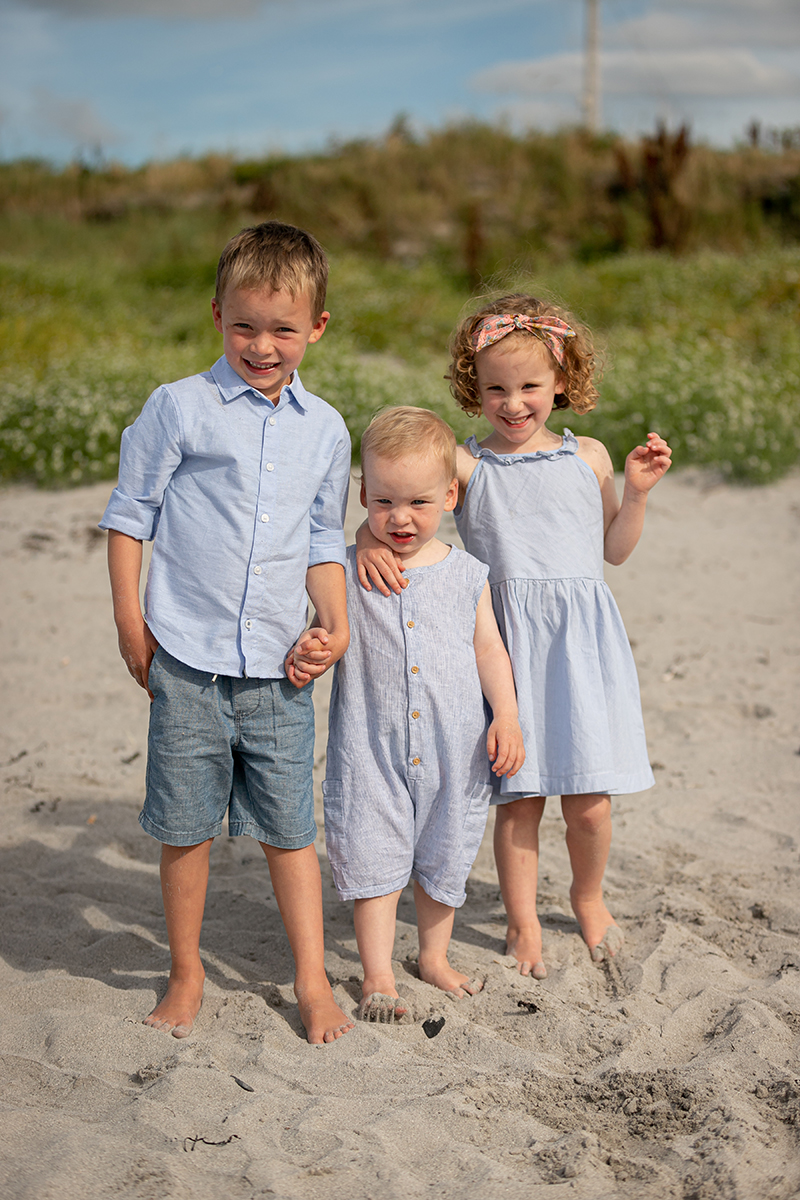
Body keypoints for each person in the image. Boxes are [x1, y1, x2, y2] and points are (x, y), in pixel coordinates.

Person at [357, 296, 672, 980]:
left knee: (589, 802)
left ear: (562, 379)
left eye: (530, 386)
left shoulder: (587, 456)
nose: (513, 402)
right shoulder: (470, 467)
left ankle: (588, 899)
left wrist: (640, 493)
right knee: (520, 798)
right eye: (496, 387)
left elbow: (614, 550)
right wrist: (362, 537)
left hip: (580, 646)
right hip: (504, 645)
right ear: (476, 388)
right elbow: (401, 494)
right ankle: (523, 920)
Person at [99, 220, 355, 1044]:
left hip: (281, 667)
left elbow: (322, 541)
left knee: (290, 827)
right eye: (244, 325)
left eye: (283, 329)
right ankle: (186, 969)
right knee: (184, 824)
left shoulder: (326, 429)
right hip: (188, 657)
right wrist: (130, 625)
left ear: (316, 327)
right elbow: (129, 519)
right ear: (217, 316)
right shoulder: (179, 408)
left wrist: (335, 623)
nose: (262, 344)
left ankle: (310, 978)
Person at [297, 407, 524, 1022]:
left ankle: (433, 956)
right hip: (371, 745)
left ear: (450, 494)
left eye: (420, 502)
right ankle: (376, 974)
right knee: (374, 855)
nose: (401, 518)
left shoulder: (467, 573)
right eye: (385, 502)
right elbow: (320, 618)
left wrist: (506, 714)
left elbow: (489, 648)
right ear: (364, 494)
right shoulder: (348, 566)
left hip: (456, 746)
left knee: (444, 851)